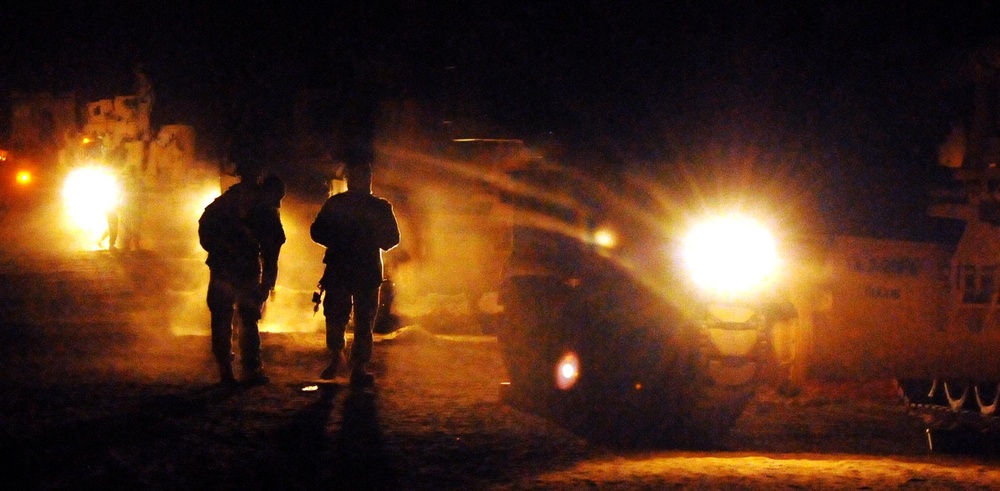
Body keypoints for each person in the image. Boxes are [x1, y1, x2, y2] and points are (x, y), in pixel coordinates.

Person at [311, 162, 400, 386]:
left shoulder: (341, 204)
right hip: (358, 269)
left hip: (352, 268)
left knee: (352, 318)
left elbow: (391, 239)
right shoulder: (373, 206)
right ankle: (343, 360)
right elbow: (318, 231)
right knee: (344, 317)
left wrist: (348, 237)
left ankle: (350, 363)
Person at [198, 160, 286, 386]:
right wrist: (266, 286)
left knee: (222, 318)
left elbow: (205, 225)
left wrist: (217, 251)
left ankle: (226, 372)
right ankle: (251, 370)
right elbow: (271, 252)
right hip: (244, 268)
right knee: (247, 317)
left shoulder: (226, 200)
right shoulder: (265, 210)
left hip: (221, 267)